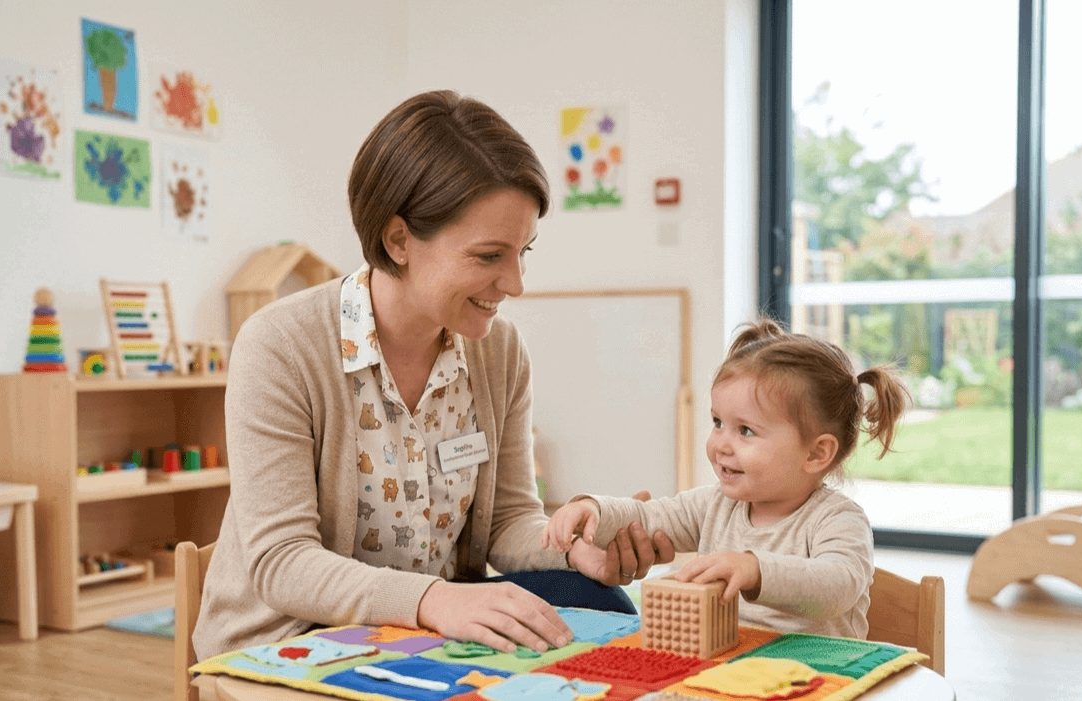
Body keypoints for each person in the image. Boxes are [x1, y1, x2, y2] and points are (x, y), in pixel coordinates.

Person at [193, 90, 673, 662]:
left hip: (433, 620)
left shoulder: (499, 351)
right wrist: (432, 601)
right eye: (490, 256)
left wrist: (573, 550)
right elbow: (282, 562)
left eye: (524, 251)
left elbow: (510, 522)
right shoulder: (280, 345)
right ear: (399, 240)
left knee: (602, 601)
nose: (516, 282)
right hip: (299, 632)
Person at [542, 318, 910, 639]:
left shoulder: (838, 519)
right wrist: (596, 510)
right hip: (729, 673)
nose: (721, 444)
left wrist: (753, 569)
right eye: (718, 423)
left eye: (746, 431)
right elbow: (652, 516)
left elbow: (838, 585)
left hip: (821, 681)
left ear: (816, 453)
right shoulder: (716, 504)